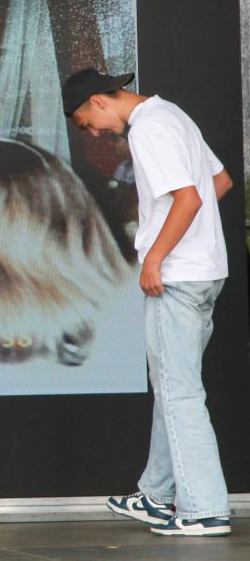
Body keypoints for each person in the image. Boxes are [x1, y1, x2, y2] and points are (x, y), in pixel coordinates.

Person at [63, 67, 234, 536]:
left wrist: (155, 257)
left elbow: (188, 199)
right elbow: (219, 182)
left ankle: (204, 510)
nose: (94, 133)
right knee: (174, 386)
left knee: (179, 393)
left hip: (177, 277)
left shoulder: (147, 129)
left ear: (99, 101)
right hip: (205, 272)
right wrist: (189, 239)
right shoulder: (172, 114)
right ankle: (157, 495)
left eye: (87, 123)